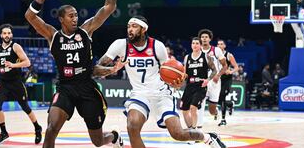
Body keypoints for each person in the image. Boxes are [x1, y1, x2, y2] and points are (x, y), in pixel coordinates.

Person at [25, 0, 124, 148]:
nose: (75, 18)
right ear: (61, 19)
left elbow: (109, 7)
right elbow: (29, 16)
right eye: (71, 16)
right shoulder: (52, 34)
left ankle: (113, 136)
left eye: (76, 15)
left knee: (97, 142)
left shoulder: (86, 31)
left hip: (87, 87)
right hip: (65, 88)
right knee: (51, 129)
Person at [95, 16, 226, 148]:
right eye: (129, 26)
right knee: (132, 126)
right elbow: (96, 68)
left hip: (161, 94)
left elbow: (169, 72)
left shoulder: (157, 46)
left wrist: (176, 83)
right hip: (139, 94)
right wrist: (112, 69)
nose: (130, 29)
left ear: (143, 29)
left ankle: (208, 137)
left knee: (177, 133)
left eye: (134, 26)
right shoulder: (120, 45)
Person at [0, 24, 42, 144]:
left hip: (16, 82)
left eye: (9, 33)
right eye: (4, 33)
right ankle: (4, 132)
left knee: (25, 107)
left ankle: (37, 127)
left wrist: (13, 65)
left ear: (12, 35)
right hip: (3, 82)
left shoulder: (16, 46)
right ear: (1, 35)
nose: (7, 35)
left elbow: (27, 62)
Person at [180, 37, 217, 130]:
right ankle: (190, 130)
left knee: (193, 107)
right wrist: (181, 77)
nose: (195, 45)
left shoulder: (205, 56)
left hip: (201, 86)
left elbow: (214, 70)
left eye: (197, 43)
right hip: (189, 86)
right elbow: (185, 74)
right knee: (184, 111)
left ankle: (194, 130)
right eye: (193, 43)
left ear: (200, 45)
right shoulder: (187, 57)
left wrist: (208, 79)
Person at [197, 29, 227, 125]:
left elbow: (225, 65)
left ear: (210, 39)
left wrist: (218, 75)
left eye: (206, 37)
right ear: (200, 39)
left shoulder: (216, 50)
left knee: (211, 110)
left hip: (214, 81)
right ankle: (198, 127)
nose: (204, 39)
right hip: (202, 81)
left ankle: (216, 112)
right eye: (202, 37)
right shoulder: (197, 50)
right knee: (199, 105)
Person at [217, 39, 239, 126]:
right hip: (218, 79)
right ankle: (230, 104)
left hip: (226, 79)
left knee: (222, 96)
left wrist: (231, 71)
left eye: (221, 44)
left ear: (224, 46)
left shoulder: (229, 55)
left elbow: (236, 67)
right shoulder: (215, 55)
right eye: (218, 44)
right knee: (215, 99)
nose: (219, 46)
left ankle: (223, 119)